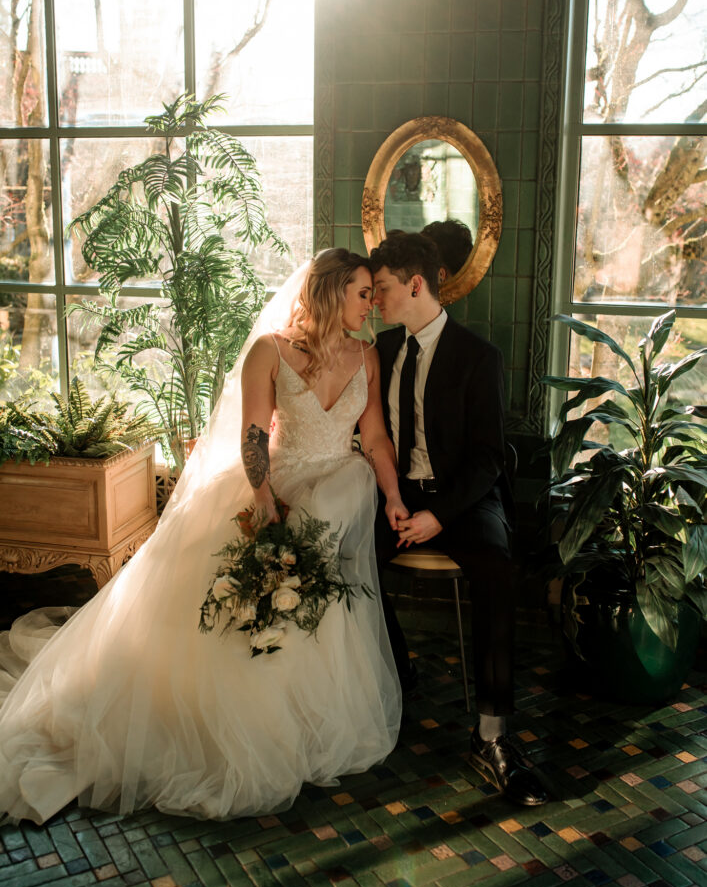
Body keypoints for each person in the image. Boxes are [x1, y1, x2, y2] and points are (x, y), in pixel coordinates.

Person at [0, 249, 403, 825]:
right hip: (272, 486)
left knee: (314, 604)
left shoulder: (367, 357)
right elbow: (254, 434)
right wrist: (264, 501)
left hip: (337, 499)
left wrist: (390, 496)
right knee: (243, 608)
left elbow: (377, 438)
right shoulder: (271, 350)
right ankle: (236, 725)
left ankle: (304, 724)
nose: (372, 304)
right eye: (363, 292)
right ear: (333, 292)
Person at [369, 231, 548, 807]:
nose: (375, 300)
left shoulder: (479, 356)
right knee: (344, 557)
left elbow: (489, 457)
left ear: (415, 284)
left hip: (465, 500)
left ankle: (492, 736)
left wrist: (437, 517)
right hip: (399, 496)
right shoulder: (383, 351)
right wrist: (397, 501)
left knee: (496, 571)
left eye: (383, 289)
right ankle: (397, 673)